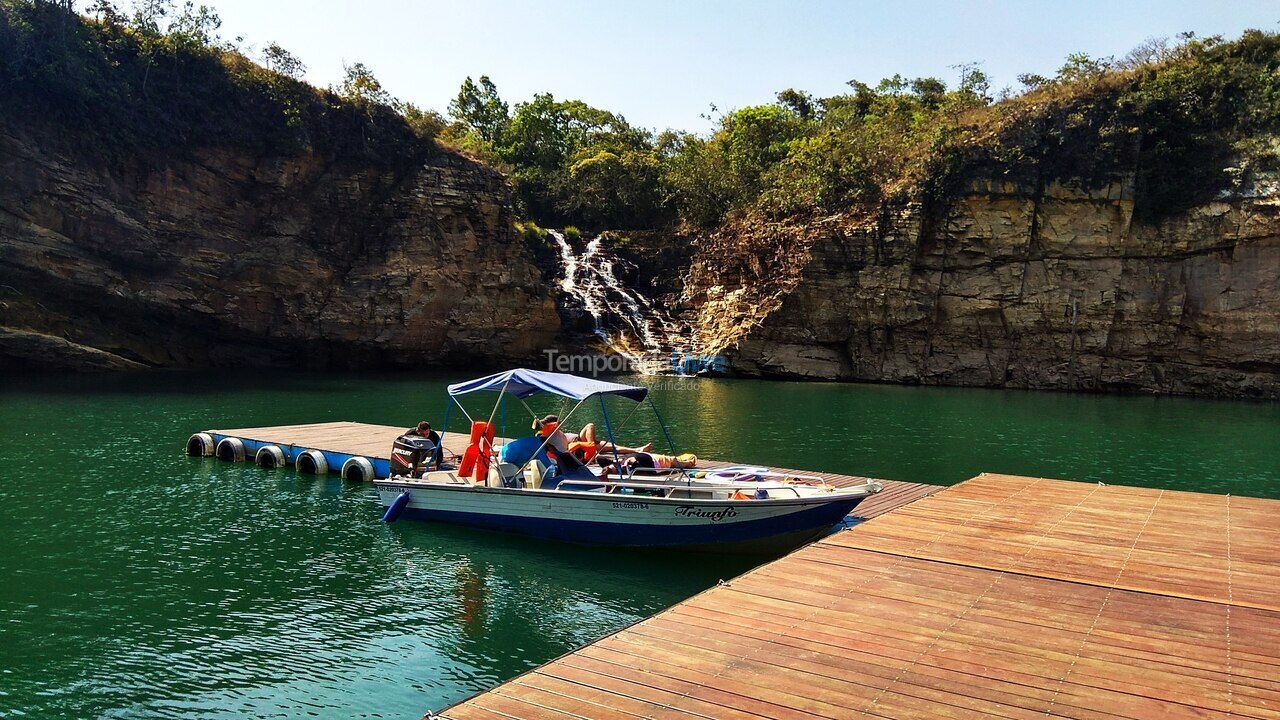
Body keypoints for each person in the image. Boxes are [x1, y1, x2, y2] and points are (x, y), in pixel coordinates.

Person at [532, 415, 652, 464]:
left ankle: (592, 446)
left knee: (590, 426)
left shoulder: (556, 432)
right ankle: (637, 450)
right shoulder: (545, 436)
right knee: (608, 446)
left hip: (581, 439)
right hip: (577, 447)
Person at [597, 451, 698, 472]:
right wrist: (632, 462)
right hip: (656, 462)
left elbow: (599, 458)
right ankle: (687, 463)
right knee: (673, 462)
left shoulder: (615, 463)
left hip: (648, 456)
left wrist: (613, 461)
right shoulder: (627, 467)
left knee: (673, 460)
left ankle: (687, 462)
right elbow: (640, 468)